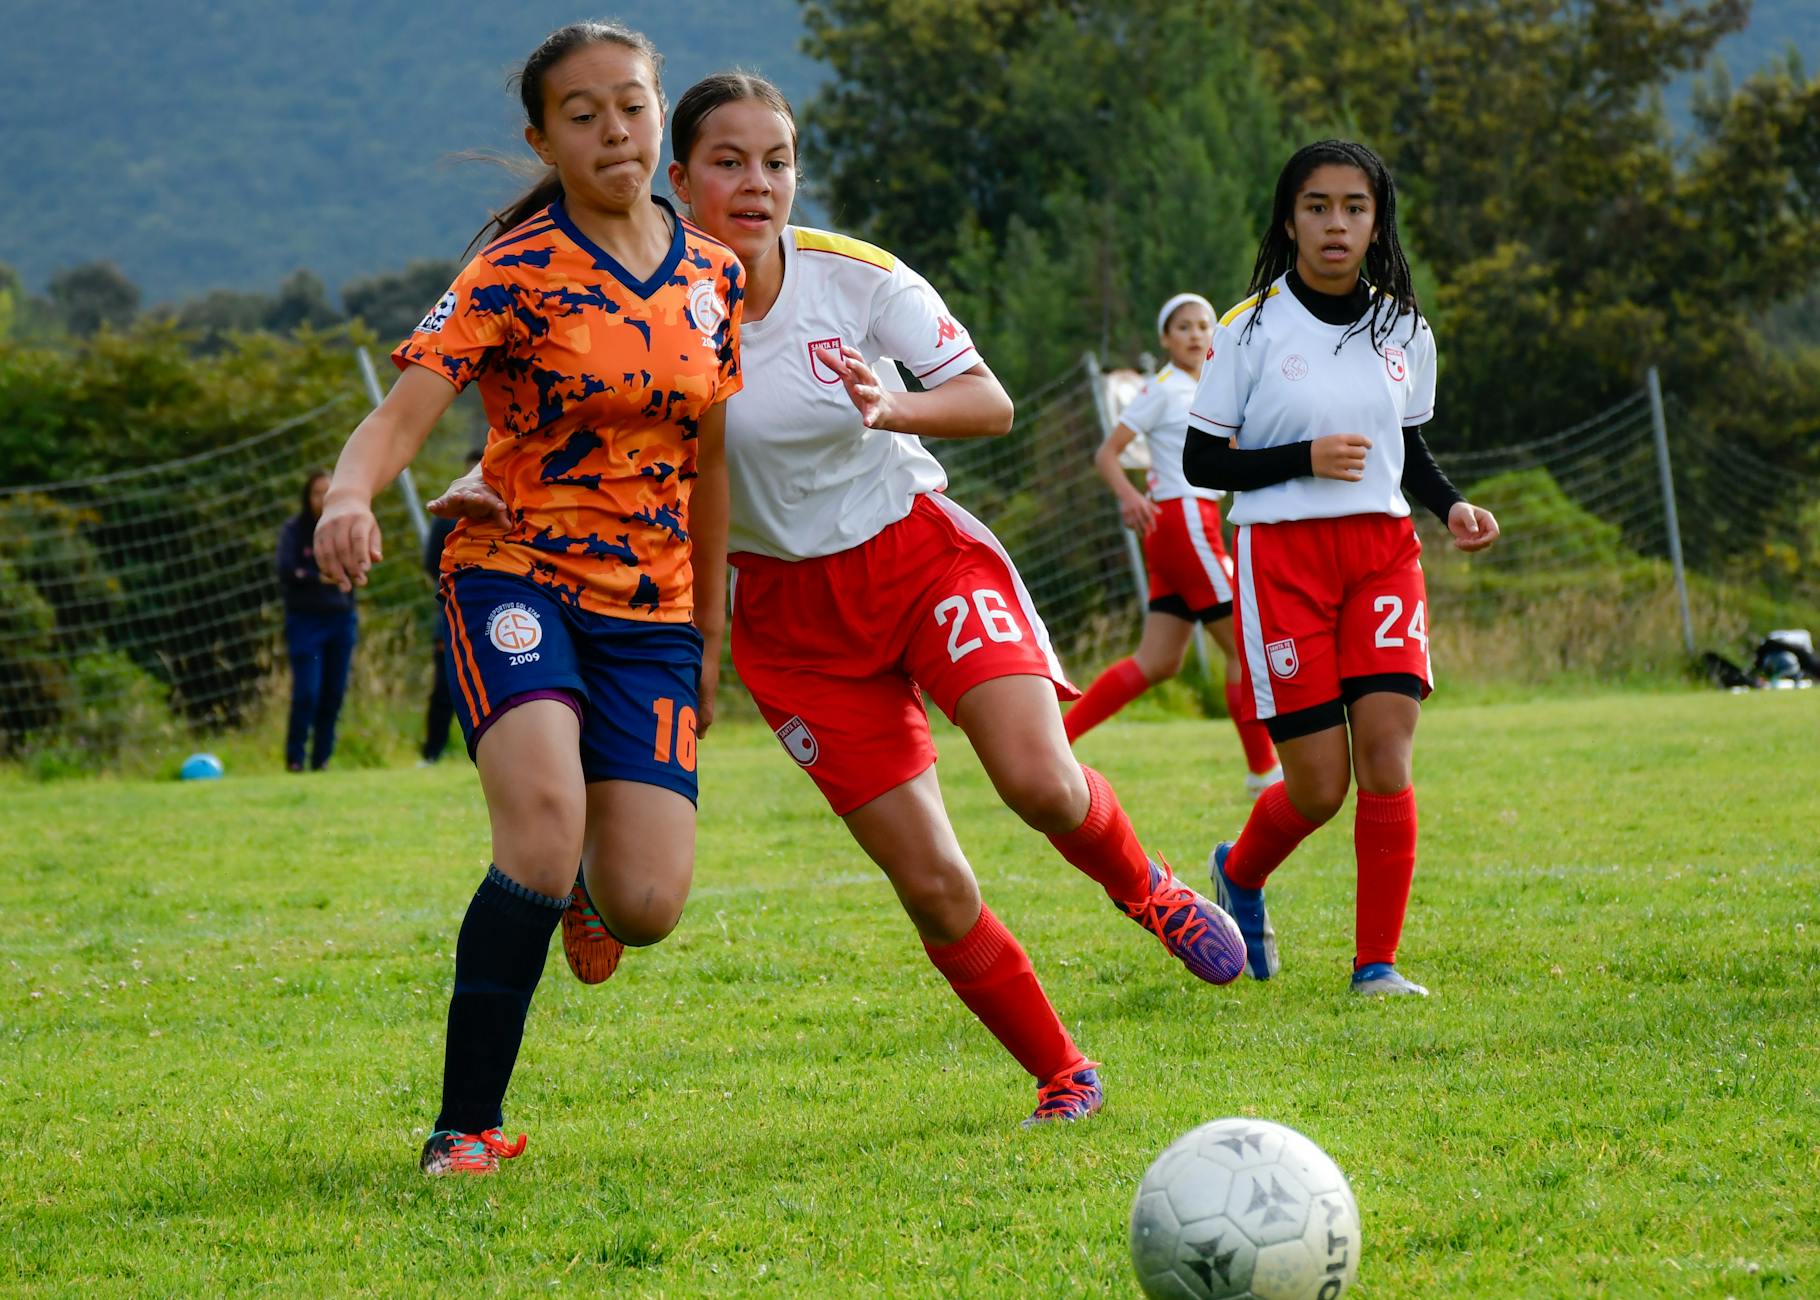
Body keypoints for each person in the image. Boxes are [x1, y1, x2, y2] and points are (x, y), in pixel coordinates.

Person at [436, 72, 1246, 1129]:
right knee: (934, 880)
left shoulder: (855, 279)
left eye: (775, 162)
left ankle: (1151, 890)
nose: (756, 183)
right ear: (678, 180)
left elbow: (989, 403)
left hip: (918, 559)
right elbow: (576, 423)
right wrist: (486, 476)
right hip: (792, 628)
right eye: (727, 163)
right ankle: (1062, 1071)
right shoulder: (659, 303)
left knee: (1039, 778)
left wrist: (894, 403)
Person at [313, 21, 743, 1175]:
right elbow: (401, 413)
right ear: (541, 137)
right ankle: (464, 1127)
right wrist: (348, 497)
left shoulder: (714, 273)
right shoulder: (510, 272)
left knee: (647, 902)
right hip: (513, 570)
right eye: (585, 113)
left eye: (634, 106)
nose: (616, 130)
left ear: (662, 115)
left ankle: (585, 897)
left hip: (651, 609)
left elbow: (708, 460)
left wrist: (707, 623)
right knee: (542, 833)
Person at [1181, 139, 1500, 996]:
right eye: (1317, 206)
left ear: (1375, 220)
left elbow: (1407, 443)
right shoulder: (1248, 329)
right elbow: (1203, 462)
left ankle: (1376, 966)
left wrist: (1451, 505)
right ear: (1289, 220)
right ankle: (1239, 874)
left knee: (1387, 758)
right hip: (1280, 560)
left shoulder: (1403, 326)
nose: (1336, 223)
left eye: (1353, 208)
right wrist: (1300, 458)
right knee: (1317, 789)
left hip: (1384, 555)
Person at [1068, 293, 1283, 798]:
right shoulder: (1164, 389)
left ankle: (1054, 741)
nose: (1195, 334)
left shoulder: (1212, 387)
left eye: (1204, 325)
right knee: (1244, 645)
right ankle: (1262, 771)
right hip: (1185, 520)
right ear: (1165, 339)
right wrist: (1127, 496)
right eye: (1182, 327)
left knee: (1158, 661)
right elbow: (1108, 454)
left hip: (1181, 527)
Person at [275, 468, 357, 772]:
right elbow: (285, 570)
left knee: (333, 693)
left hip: (341, 619)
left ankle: (321, 760)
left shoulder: (344, 527)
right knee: (307, 692)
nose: (322, 499)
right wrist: (317, 578)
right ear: (307, 496)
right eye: (316, 493)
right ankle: (295, 759)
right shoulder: (294, 531)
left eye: (328, 492)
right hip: (306, 621)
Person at [419, 446, 485, 766]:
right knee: (445, 686)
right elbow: (432, 562)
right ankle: (432, 751)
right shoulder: (447, 516)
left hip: (502, 613)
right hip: (453, 610)